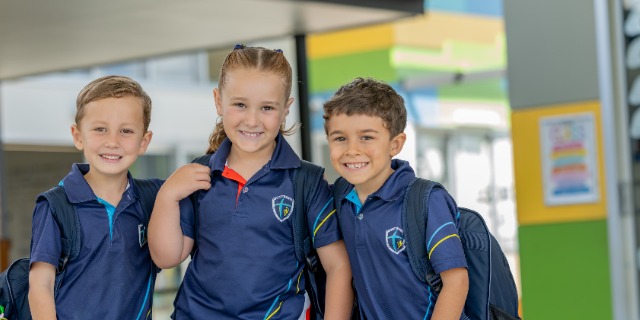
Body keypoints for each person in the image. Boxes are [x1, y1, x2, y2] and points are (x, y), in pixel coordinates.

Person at [148, 45, 353, 320]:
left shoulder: (306, 181)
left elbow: (338, 267)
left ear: (285, 109)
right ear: (218, 101)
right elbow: (167, 258)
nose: (252, 120)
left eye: (267, 107)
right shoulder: (197, 174)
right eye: (240, 104)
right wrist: (167, 195)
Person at [323, 77, 469, 319]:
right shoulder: (339, 197)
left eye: (366, 137)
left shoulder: (426, 200)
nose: (352, 150)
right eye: (340, 138)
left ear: (395, 144)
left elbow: (456, 281)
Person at [28, 75, 161, 319]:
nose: (112, 141)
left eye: (126, 131)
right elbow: (40, 286)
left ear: (144, 142)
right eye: (100, 129)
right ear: (78, 136)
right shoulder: (56, 205)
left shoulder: (154, 198)